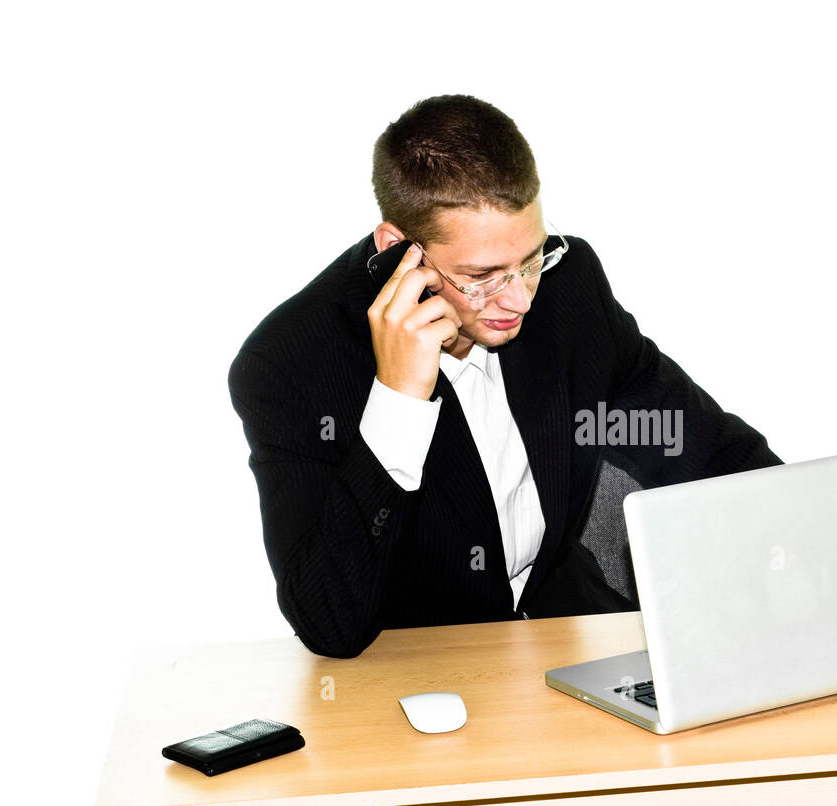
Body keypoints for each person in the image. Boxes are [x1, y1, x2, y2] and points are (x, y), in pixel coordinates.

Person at [229, 94, 780, 658]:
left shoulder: (568, 286)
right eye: (482, 276)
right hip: (414, 673)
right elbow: (329, 622)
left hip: (565, 639)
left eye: (532, 258)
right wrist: (398, 399)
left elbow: (701, 447)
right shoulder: (290, 363)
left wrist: (812, 537)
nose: (517, 298)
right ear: (399, 250)